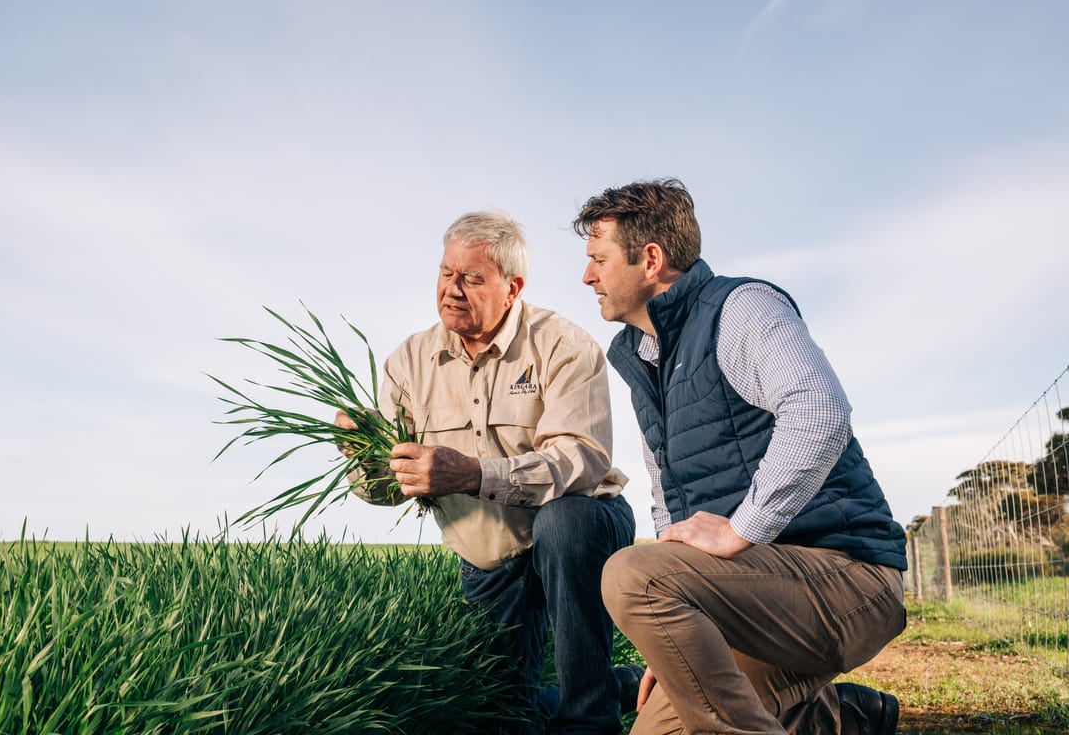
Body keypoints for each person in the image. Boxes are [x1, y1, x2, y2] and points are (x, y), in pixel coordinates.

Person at [571, 178, 908, 735]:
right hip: (754, 596)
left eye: (599, 259)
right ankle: (844, 719)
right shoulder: (642, 358)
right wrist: (668, 642)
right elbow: (669, 503)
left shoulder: (740, 309)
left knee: (630, 572)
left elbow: (819, 411)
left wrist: (742, 529)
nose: (588, 276)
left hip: (846, 580)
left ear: (650, 259)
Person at [336, 211, 640, 734]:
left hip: (581, 531)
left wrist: (474, 475)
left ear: (512, 287)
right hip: (490, 557)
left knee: (563, 522)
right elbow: (388, 488)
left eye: (472, 278)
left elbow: (580, 461)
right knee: (500, 720)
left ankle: (589, 719)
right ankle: (619, 685)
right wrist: (364, 454)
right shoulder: (409, 362)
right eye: (446, 273)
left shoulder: (563, 345)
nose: (452, 290)